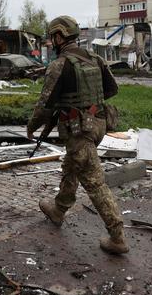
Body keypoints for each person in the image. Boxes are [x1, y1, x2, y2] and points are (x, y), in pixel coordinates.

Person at [26, 15, 128, 254]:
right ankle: (58, 210)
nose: (51, 43)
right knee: (72, 166)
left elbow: (44, 106)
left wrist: (32, 127)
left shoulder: (59, 65)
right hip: (99, 124)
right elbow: (112, 89)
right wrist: (88, 102)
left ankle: (117, 236)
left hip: (79, 130)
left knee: (94, 182)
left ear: (60, 36)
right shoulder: (96, 58)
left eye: (52, 38)